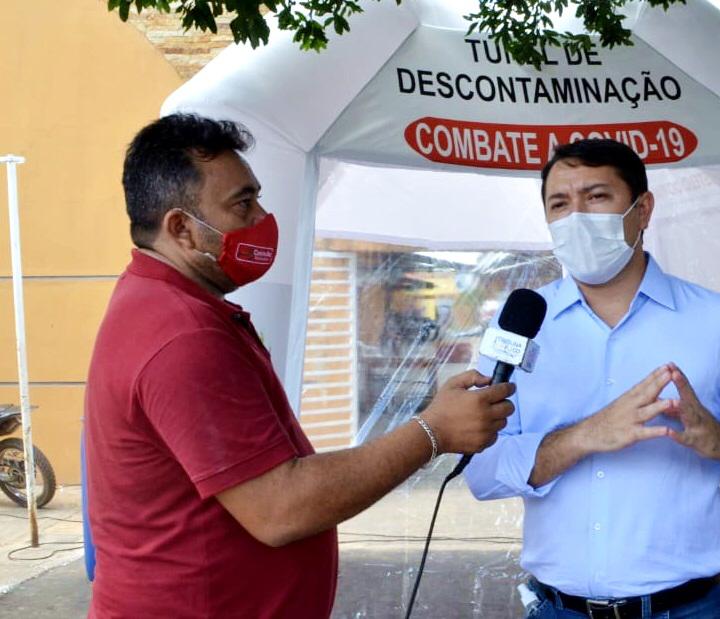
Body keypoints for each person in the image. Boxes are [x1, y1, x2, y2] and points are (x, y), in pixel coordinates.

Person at [83, 113, 515, 618]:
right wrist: (432, 432)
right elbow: (279, 508)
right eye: (242, 203)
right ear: (182, 228)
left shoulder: (164, 304)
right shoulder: (183, 334)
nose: (261, 218)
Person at [464, 139, 720, 619]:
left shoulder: (719, 322)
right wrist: (586, 436)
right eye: (559, 204)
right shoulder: (518, 326)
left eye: (597, 197)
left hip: (688, 609)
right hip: (558, 610)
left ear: (643, 209)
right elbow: (481, 473)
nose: (577, 216)